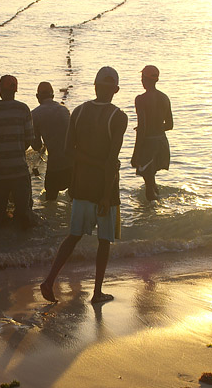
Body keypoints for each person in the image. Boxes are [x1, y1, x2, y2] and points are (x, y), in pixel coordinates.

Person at [40, 67, 128, 304]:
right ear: (116, 90)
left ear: (95, 86)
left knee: (73, 236)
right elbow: (111, 160)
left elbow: (69, 151)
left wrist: (91, 162)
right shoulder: (118, 117)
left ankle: (49, 281)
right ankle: (97, 292)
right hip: (104, 189)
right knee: (104, 241)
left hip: (80, 187)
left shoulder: (78, 112)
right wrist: (107, 195)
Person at [0, 74, 34, 227]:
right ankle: (24, 248)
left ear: (0, 90)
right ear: (15, 91)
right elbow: (29, 139)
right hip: (19, 170)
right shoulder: (23, 109)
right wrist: (18, 150)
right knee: (24, 214)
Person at [131, 65, 173, 201]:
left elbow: (142, 128)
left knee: (148, 184)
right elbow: (170, 125)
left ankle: (149, 218)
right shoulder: (164, 98)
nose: (141, 81)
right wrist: (156, 128)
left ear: (146, 79)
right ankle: (157, 208)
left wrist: (135, 154)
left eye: (142, 78)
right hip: (161, 142)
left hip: (148, 144)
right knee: (151, 180)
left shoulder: (141, 99)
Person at [31, 81, 72, 200]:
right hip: (73, 164)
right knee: (73, 202)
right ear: (53, 96)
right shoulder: (64, 110)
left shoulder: (35, 114)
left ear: (38, 97)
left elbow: (36, 146)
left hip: (55, 166)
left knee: (50, 202)